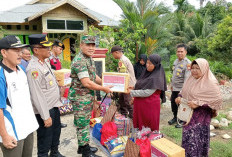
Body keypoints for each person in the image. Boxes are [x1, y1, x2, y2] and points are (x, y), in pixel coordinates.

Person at [68, 35, 112, 157]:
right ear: (81, 45)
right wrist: (104, 88)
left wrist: (105, 83)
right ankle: (85, 153)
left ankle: (83, 147)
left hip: (86, 96)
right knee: (82, 124)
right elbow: (87, 82)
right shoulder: (80, 61)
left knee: (85, 122)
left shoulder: (88, 58)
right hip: (80, 98)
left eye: (93, 45)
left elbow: (94, 76)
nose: (91, 48)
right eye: (88, 45)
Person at [26, 34, 64, 157]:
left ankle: (55, 152)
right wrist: (45, 116)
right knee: (45, 139)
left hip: (54, 106)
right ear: (36, 50)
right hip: (45, 110)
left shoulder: (44, 62)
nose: (49, 49)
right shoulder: (33, 69)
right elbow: (37, 95)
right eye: (46, 47)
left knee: (55, 133)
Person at [0, 35, 38, 157]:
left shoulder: (21, 69)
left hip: (27, 127)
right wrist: (4, 136)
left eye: (20, 50)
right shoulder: (2, 75)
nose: (20, 54)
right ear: (4, 52)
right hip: (12, 132)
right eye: (16, 51)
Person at [175, 58, 222, 157]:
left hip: (201, 119)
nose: (194, 70)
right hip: (188, 116)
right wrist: (179, 97)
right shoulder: (190, 79)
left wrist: (199, 104)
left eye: (198, 68)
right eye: (193, 68)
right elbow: (183, 92)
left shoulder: (211, 82)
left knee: (197, 141)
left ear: (204, 69)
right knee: (188, 139)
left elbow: (216, 100)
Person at [128, 54, 167, 131]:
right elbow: (141, 84)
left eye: (150, 63)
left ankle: (147, 142)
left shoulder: (157, 77)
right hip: (140, 104)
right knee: (139, 126)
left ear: (156, 65)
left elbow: (148, 92)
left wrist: (132, 92)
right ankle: (139, 141)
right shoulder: (146, 72)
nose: (147, 65)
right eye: (147, 63)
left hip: (149, 106)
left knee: (148, 127)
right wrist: (133, 89)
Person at [168, 43, 191, 128]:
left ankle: (182, 120)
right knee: (173, 103)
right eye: (178, 51)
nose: (179, 53)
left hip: (182, 88)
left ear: (185, 52)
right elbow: (174, 74)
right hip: (174, 87)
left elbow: (187, 79)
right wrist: (171, 85)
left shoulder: (188, 63)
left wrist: (183, 91)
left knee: (182, 105)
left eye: (181, 51)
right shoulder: (176, 61)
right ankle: (175, 117)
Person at [111, 45, 136, 118]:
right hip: (125, 85)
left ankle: (133, 120)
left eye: (113, 54)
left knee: (128, 103)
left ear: (116, 52)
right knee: (122, 101)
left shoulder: (122, 60)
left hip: (127, 85)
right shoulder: (123, 59)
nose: (113, 56)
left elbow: (122, 75)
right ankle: (123, 118)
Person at [49, 39, 67, 129]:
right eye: (60, 49)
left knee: (58, 103)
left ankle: (58, 122)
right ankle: (52, 122)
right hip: (52, 85)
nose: (61, 51)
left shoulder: (57, 58)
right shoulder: (48, 57)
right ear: (54, 47)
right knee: (52, 105)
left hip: (59, 85)